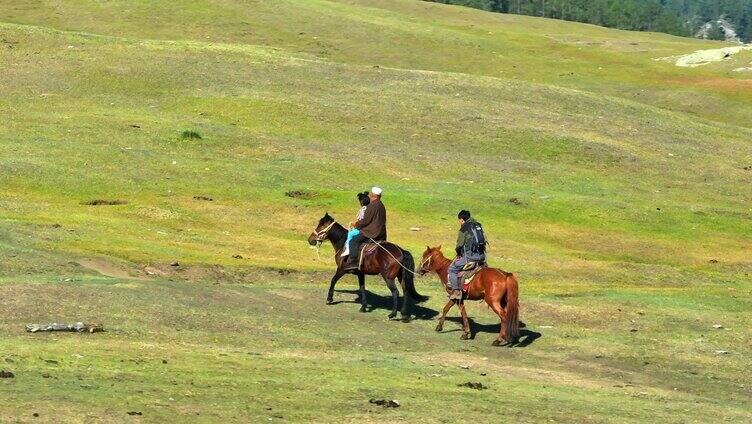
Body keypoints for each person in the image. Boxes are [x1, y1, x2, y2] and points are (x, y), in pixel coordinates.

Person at [343, 187, 387, 271]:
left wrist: (356, 225)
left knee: (353, 241)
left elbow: (365, 221)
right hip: (381, 233)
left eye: (371, 194)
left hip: (371, 232)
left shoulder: (372, 205)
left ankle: (353, 263)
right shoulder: (381, 205)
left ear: (373, 195)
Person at [447, 210, 486, 300]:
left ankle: (456, 291)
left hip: (470, 257)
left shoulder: (464, 229)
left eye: (459, 220)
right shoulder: (478, 225)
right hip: (482, 256)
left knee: (452, 269)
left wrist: (458, 253)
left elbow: (459, 245)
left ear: (462, 220)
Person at [341, 192, 370, 257]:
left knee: (350, 234)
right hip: (364, 227)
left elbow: (361, 221)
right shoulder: (368, 208)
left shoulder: (364, 209)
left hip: (362, 229)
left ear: (361, 202)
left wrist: (354, 224)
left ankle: (348, 249)